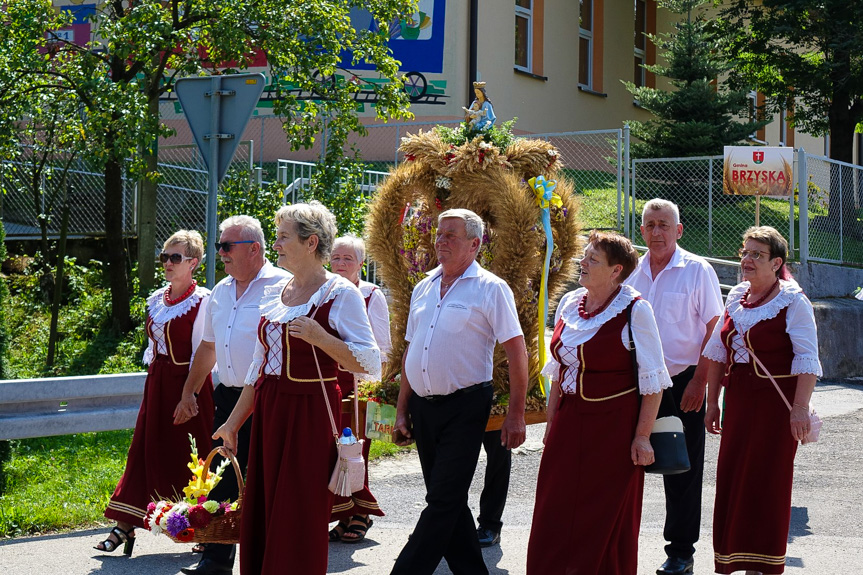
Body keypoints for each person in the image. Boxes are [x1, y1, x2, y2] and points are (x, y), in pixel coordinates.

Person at [213, 202, 380, 575]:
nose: (276, 245)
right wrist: (233, 424)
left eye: (283, 237)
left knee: (296, 513)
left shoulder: (340, 293)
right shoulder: (277, 293)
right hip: (271, 411)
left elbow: (370, 363)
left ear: (311, 242)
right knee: (266, 507)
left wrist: (322, 338)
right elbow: (258, 370)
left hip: (307, 415)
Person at [391, 208, 528, 575]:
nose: (441, 241)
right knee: (448, 499)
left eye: (451, 235)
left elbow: (516, 350)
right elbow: (411, 350)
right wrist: (402, 410)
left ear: (474, 243)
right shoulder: (424, 286)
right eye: (439, 234)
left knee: (441, 499)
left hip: (466, 406)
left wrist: (515, 415)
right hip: (423, 408)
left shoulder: (491, 288)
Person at [526, 230, 672, 575]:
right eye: (584, 256)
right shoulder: (570, 303)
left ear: (616, 270)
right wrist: (551, 424)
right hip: (568, 422)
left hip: (613, 429)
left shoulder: (636, 309)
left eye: (593, 259)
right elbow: (559, 372)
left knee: (602, 518)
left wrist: (642, 436)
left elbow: (654, 382)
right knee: (554, 508)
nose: (583, 263)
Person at [173, 215, 290, 575]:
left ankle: (272, 557)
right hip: (227, 395)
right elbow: (208, 346)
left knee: (266, 480)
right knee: (223, 476)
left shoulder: (282, 286)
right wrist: (189, 390)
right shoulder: (222, 290)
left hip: (268, 396)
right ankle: (217, 559)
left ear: (254, 249)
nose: (220, 253)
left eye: (227, 246)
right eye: (218, 246)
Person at [703, 226, 821, 575]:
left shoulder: (793, 300)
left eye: (757, 254)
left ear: (776, 263)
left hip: (775, 406)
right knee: (732, 478)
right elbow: (716, 352)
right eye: (745, 252)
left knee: (767, 482)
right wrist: (713, 402)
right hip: (738, 400)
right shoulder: (737, 295)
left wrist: (799, 409)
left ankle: (763, 565)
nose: (747, 260)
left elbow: (807, 360)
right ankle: (732, 559)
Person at [96, 231, 213, 556]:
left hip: (189, 386)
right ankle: (125, 522)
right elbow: (153, 349)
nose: (168, 263)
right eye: (164, 257)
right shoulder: (157, 299)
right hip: (158, 383)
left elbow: (204, 352)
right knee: (145, 451)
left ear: (193, 262)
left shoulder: (203, 301)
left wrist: (189, 395)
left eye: (175, 257)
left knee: (192, 457)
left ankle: (203, 526)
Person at [624, 198, 724, 575]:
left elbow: (716, 328)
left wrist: (700, 381)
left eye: (664, 224)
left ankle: (680, 552)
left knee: (682, 469)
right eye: (649, 225)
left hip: (684, 381)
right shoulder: (632, 273)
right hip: (637, 383)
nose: (656, 232)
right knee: (628, 461)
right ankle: (619, 543)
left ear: (679, 230)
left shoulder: (697, 269)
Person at [327, 234, 392, 543]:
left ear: (361, 266)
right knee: (331, 451)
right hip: (327, 382)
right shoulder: (322, 291)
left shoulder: (371, 295)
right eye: (336, 258)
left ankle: (360, 513)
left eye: (347, 259)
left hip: (357, 386)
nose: (340, 264)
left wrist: (374, 395)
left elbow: (383, 349)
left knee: (355, 451)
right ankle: (343, 513)